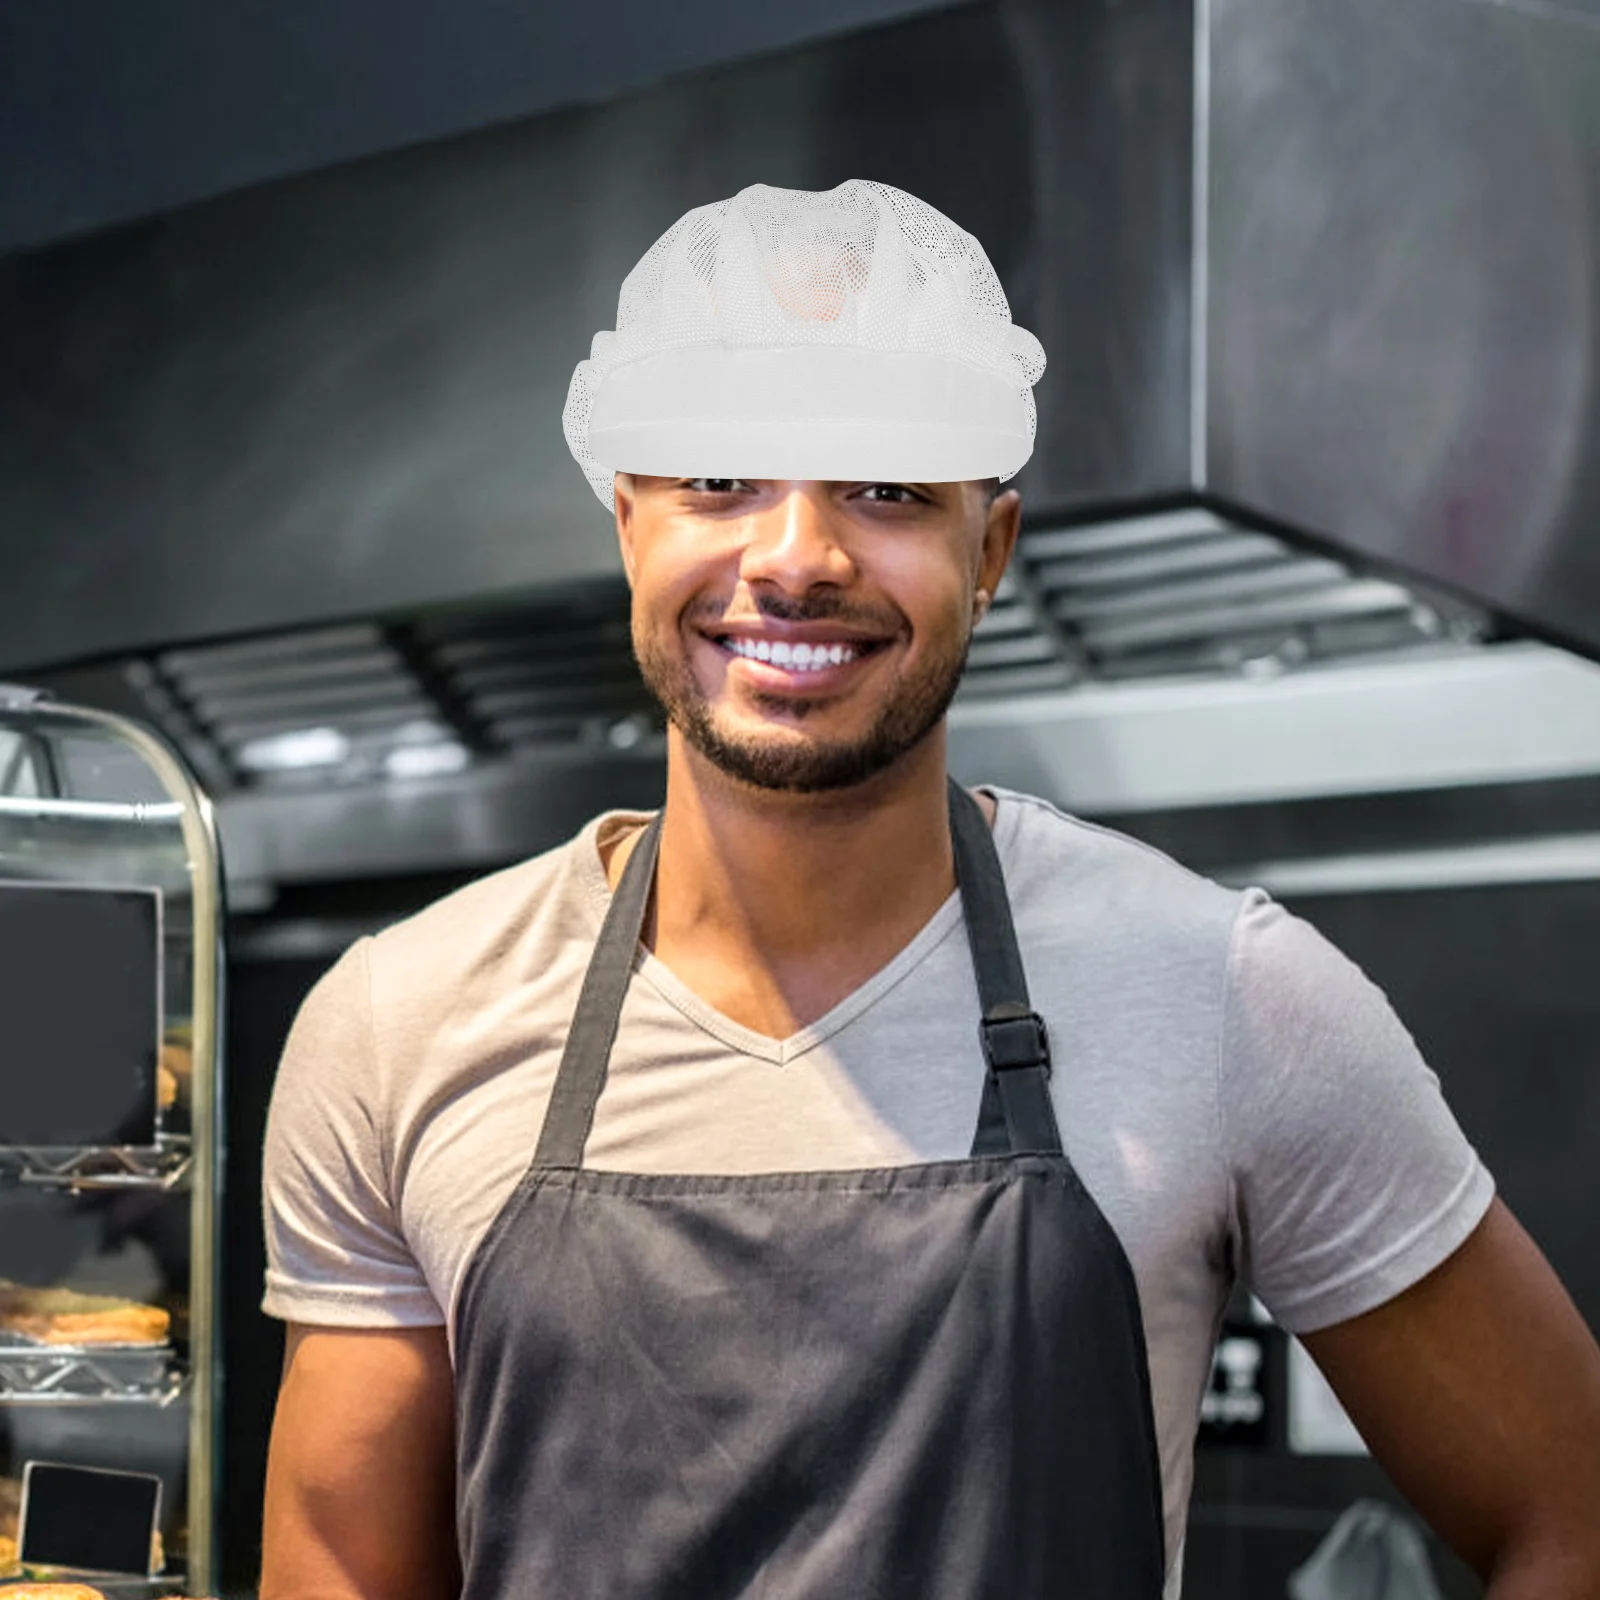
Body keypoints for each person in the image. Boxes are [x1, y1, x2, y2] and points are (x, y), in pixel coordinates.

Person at [258, 181, 1600, 1599]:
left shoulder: (1228, 998)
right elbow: (340, 1569)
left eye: (889, 487)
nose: (796, 556)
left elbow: (1571, 1512)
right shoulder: (400, 1020)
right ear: (631, 523)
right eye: (720, 477)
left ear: (992, 549)